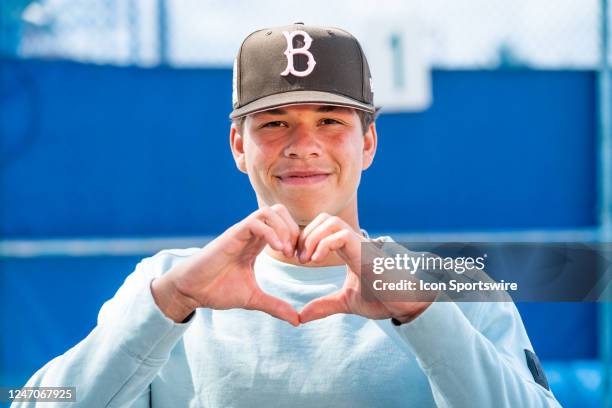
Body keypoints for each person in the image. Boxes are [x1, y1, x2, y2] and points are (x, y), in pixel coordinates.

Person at [16, 23, 560, 407]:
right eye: (274, 122)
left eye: (330, 121)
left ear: (368, 143)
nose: (304, 144)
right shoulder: (171, 283)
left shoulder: (450, 286)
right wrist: (168, 305)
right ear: (238, 145)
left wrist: (423, 312)